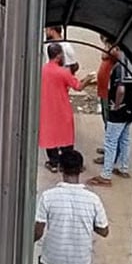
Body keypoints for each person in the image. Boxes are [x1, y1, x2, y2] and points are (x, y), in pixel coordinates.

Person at [34, 150, 109, 264]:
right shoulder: (93, 200)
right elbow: (104, 230)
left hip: (53, 256)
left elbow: (38, 230)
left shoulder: (48, 196)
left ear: (60, 168)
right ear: (82, 169)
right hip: (79, 260)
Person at [88, 48, 132, 188]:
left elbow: (121, 89)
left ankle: (106, 175)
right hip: (131, 108)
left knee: (110, 142)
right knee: (124, 139)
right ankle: (123, 167)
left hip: (119, 111)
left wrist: (116, 105)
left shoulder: (119, 68)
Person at [39, 42, 82, 171]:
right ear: (58, 56)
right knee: (65, 135)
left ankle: (53, 162)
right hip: (62, 108)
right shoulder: (63, 72)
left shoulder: (42, 70)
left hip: (46, 108)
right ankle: (66, 161)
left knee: (49, 134)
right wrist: (88, 79)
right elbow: (78, 86)